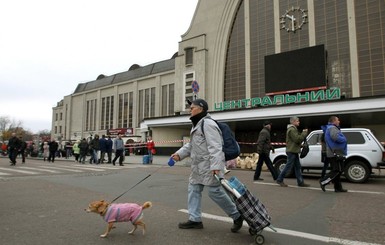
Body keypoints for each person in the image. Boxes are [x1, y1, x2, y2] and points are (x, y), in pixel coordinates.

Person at [171, 99, 243, 232]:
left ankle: (237, 215)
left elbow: (216, 147)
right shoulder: (197, 124)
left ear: (201, 108)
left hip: (210, 165)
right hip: (198, 166)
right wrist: (178, 155)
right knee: (193, 189)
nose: (190, 110)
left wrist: (216, 166)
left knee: (215, 192)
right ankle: (195, 219)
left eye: (192, 107)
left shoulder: (208, 124)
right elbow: (192, 145)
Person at [276, 116, 309, 187]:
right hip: (292, 151)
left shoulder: (293, 129)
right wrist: (304, 133)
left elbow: (293, 141)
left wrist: (300, 145)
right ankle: (279, 179)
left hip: (293, 150)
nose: (299, 122)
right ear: (293, 122)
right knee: (288, 166)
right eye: (297, 121)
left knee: (297, 167)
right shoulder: (292, 130)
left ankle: (300, 182)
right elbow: (297, 139)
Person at [319, 116, 348, 192]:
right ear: (334, 121)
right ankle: (323, 181)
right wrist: (344, 139)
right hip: (335, 153)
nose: (339, 121)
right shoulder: (332, 128)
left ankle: (338, 188)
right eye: (338, 120)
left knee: (338, 170)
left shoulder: (331, 128)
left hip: (335, 152)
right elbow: (335, 137)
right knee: (337, 170)